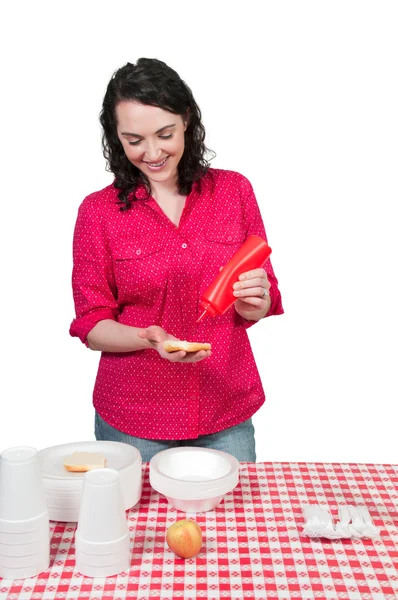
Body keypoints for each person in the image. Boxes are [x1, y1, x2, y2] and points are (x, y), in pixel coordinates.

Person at [70, 58, 283, 463]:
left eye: (164, 134)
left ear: (186, 119)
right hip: (135, 419)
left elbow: (264, 293)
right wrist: (145, 337)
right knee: (139, 527)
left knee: (232, 526)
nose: (152, 152)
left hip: (226, 411)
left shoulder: (234, 191)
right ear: (116, 138)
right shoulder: (98, 212)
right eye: (134, 140)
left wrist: (256, 301)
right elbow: (92, 323)